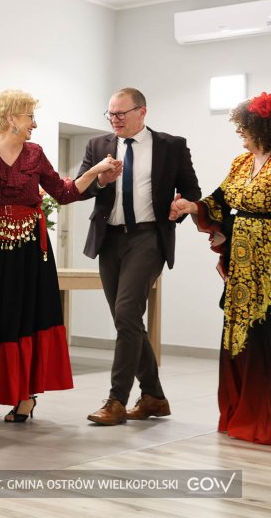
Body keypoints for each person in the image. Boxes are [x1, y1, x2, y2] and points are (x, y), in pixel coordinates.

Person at [0, 90, 120, 422]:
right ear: (11, 117)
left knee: (21, 316)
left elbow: (63, 192)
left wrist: (95, 173)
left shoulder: (35, 153)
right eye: (30, 116)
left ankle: (25, 396)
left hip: (27, 249)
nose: (35, 124)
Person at [79, 87, 200, 426]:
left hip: (148, 237)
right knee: (128, 320)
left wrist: (182, 206)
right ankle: (154, 397)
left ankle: (116, 401)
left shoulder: (171, 146)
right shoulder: (97, 145)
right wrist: (101, 181)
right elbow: (82, 188)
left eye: (121, 113)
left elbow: (192, 189)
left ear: (141, 112)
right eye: (110, 114)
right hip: (109, 239)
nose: (115, 120)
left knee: (126, 313)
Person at [170, 93, 271, 445]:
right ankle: (242, 412)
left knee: (266, 331)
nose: (240, 132)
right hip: (242, 262)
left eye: (245, 127)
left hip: (268, 263)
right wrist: (190, 207)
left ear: (262, 128)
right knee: (239, 332)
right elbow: (219, 201)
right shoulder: (241, 162)